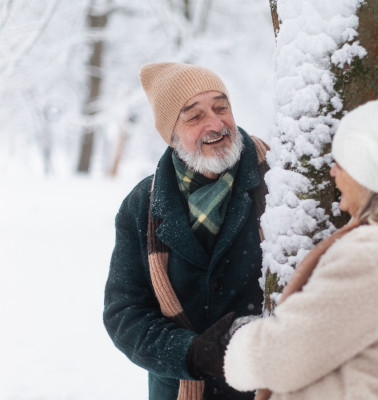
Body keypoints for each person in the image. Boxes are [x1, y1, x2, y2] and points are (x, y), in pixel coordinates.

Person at [222, 100, 378, 400]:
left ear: (370, 173)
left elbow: (279, 357)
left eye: (343, 162)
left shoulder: (374, 257)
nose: (333, 172)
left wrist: (236, 340)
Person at [103, 62, 270, 400]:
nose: (215, 123)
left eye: (221, 107)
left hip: (269, 386)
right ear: (172, 135)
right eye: (194, 117)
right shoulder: (142, 206)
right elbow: (125, 312)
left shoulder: (279, 180)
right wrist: (190, 353)